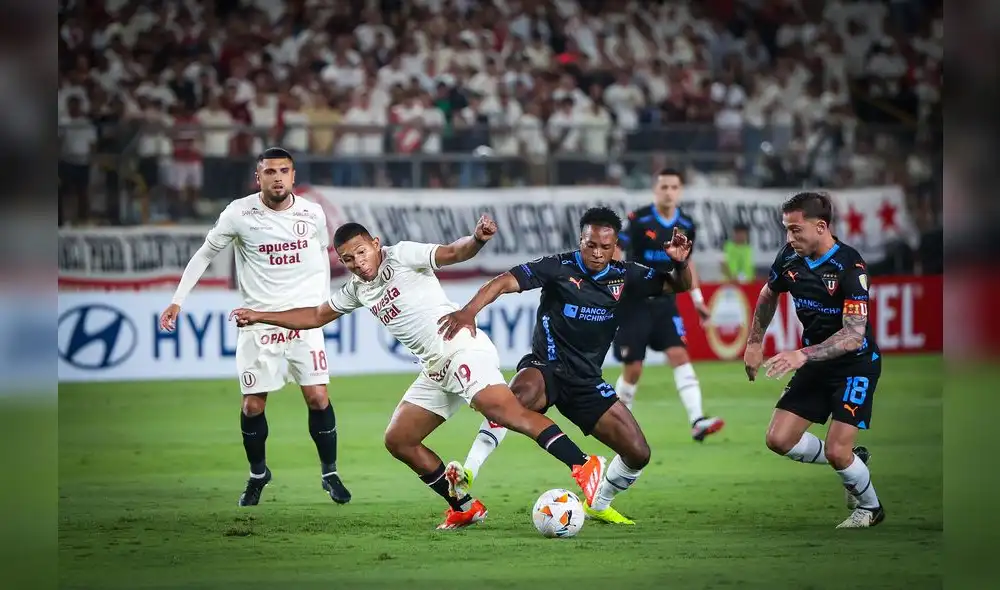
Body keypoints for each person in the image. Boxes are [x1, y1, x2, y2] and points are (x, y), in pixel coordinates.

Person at [229, 218, 607, 530]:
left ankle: (582, 463)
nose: (358, 263)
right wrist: (260, 315)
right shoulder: (359, 290)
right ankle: (462, 505)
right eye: (348, 259)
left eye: (361, 252)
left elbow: (454, 252)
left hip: (461, 347)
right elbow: (314, 316)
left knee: (504, 412)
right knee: (399, 439)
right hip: (435, 367)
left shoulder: (403, 255)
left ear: (375, 244)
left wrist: (476, 239)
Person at [437, 207, 694, 525]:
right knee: (512, 399)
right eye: (590, 245)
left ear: (615, 246)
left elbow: (679, 285)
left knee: (638, 453)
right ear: (580, 240)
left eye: (605, 247)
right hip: (546, 367)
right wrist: (469, 311)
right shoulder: (558, 267)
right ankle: (468, 473)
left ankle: (599, 503)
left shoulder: (626, 276)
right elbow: (503, 282)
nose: (597, 253)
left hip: (586, 380)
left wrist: (681, 262)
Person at [160, 147, 352, 507]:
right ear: (258, 177)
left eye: (284, 171)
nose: (277, 177)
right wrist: (177, 299)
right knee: (252, 406)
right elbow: (205, 253)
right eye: (269, 172)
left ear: (294, 176)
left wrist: (322, 304)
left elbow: (323, 257)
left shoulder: (312, 213)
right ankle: (258, 473)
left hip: (304, 321)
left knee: (318, 396)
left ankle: (330, 473)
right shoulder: (239, 213)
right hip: (258, 323)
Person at [744, 192, 885, 529]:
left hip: (856, 366)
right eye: (787, 230)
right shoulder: (790, 257)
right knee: (778, 440)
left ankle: (870, 508)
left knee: (838, 451)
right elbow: (768, 293)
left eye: (796, 230)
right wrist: (754, 341)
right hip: (814, 364)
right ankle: (855, 464)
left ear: (821, 227)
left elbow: (853, 336)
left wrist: (800, 354)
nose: (789, 238)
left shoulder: (850, 266)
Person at [613, 168, 724, 441]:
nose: (668, 192)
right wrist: (612, 283)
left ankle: (697, 420)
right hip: (635, 302)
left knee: (679, 355)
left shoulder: (686, 223)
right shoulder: (639, 220)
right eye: (663, 187)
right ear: (655, 189)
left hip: (665, 301)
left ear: (680, 190)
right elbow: (617, 248)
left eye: (673, 187)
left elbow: (687, 263)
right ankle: (614, 424)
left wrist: (697, 299)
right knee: (634, 368)